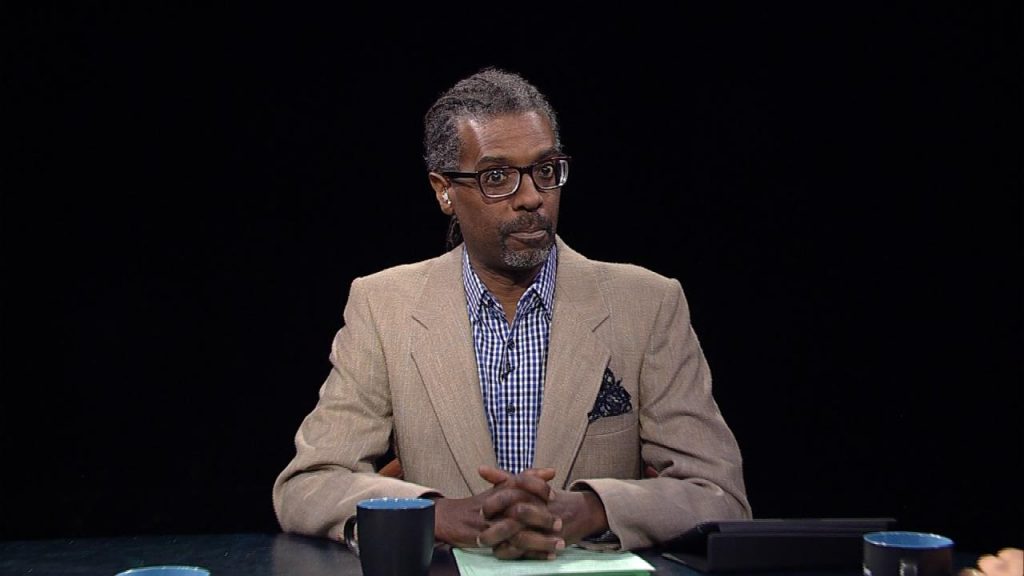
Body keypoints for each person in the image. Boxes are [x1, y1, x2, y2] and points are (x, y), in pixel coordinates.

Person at [272, 66, 751, 560]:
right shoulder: (384, 305)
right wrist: (438, 515)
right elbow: (310, 484)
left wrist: (591, 509)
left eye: (545, 170)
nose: (531, 198)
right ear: (443, 190)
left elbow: (718, 492)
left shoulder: (647, 304)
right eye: (497, 177)